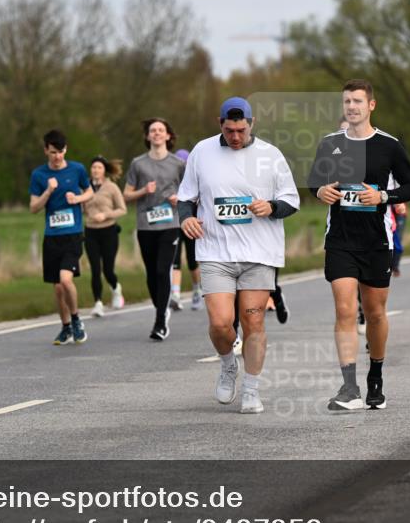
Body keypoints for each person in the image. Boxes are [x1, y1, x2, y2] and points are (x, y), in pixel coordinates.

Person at [177, 97, 300, 414]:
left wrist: (271, 207)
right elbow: (186, 198)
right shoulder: (202, 153)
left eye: (241, 130)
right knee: (220, 324)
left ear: (252, 124)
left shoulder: (270, 156)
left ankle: (251, 390)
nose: (235, 136)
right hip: (215, 251)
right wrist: (186, 218)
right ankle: (228, 364)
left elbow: (291, 200)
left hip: (259, 252)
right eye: (229, 130)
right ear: (220, 124)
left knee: (253, 320)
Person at [308, 79, 410, 411]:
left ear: (371, 105)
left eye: (358, 101)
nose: (352, 106)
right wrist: (320, 191)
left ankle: (376, 378)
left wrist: (383, 196)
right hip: (340, 240)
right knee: (344, 310)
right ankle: (349, 387)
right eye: (347, 101)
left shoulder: (389, 146)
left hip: (376, 241)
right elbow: (315, 181)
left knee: (374, 313)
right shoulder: (330, 144)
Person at [29, 129, 93, 345]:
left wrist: (78, 198)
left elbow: (90, 192)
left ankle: (76, 320)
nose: (58, 157)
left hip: (73, 234)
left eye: (61, 152)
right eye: (54, 152)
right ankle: (65, 327)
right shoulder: (39, 175)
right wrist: (48, 192)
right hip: (52, 236)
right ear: (46, 150)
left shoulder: (77, 169)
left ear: (66, 150)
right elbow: (33, 208)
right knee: (57, 287)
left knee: (66, 280)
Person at [123, 118, 185, 340]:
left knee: (162, 270)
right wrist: (142, 191)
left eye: (161, 130)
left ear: (168, 136)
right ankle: (162, 307)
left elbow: (191, 191)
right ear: (148, 136)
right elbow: (126, 195)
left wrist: (180, 199)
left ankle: (160, 321)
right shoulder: (138, 164)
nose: (157, 133)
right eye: (153, 131)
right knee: (151, 274)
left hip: (171, 223)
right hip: (146, 224)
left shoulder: (178, 164)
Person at [84, 156, 127, 317]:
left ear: (104, 170)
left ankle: (116, 289)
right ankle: (98, 303)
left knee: (108, 269)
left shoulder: (112, 187)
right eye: (93, 167)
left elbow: (122, 209)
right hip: (90, 231)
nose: (96, 170)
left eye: (99, 168)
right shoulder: (84, 187)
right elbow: (81, 207)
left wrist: (106, 215)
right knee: (95, 269)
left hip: (109, 231)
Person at [170, 148, 203, 311]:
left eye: (184, 162)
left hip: (191, 222)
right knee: (175, 259)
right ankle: (175, 295)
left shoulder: (195, 176)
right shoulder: (171, 177)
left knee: (191, 260)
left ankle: (197, 289)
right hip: (174, 223)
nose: (182, 165)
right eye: (179, 162)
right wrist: (170, 199)